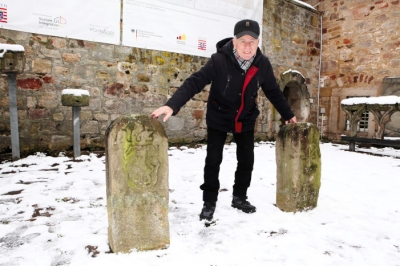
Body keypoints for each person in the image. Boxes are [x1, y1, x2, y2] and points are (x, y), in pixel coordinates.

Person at [151, 19, 297, 221]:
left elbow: (273, 91)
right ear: (234, 41)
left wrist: (288, 114)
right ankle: (209, 202)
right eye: (243, 40)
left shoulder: (262, 64)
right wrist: (172, 105)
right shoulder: (219, 60)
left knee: (246, 161)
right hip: (218, 116)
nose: (247, 46)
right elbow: (195, 81)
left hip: (245, 118)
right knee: (213, 160)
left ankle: (239, 197)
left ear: (258, 42)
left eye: (252, 41)